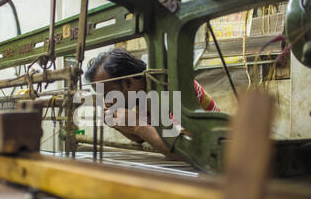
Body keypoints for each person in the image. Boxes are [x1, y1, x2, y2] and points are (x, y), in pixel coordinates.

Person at [84, 48, 220, 158]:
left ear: (128, 82)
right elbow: (141, 138)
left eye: (107, 95)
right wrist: (119, 125)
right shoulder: (141, 94)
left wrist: (137, 124)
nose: (106, 102)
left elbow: (183, 148)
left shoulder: (169, 84)